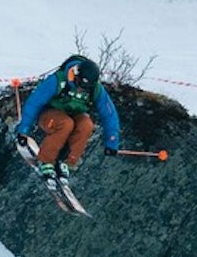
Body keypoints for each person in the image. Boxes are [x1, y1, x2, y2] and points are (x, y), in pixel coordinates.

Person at [15, 54, 122, 182]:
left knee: (86, 125)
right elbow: (34, 102)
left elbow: (109, 114)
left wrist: (111, 142)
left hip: (74, 114)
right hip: (49, 114)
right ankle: (46, 161)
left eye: (85, 87)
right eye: (79, 84)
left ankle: (67, 163)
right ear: (76, 75)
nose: (81, 89)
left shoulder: (96, 89)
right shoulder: (59, 80)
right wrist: (23, 130)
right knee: (66, 124)